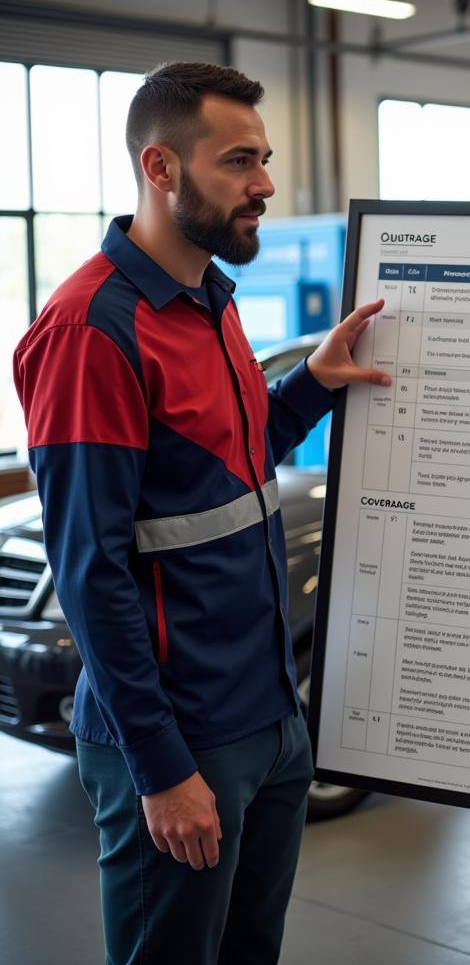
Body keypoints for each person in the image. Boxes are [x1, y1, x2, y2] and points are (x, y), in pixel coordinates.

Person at [14, 62, 390, 964]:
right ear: (162, 168)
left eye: (263, 159)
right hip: (185, 739)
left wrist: (314, 385)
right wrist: (162, 766)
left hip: (268, 718)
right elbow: (90, 570)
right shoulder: (90, 332)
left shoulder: (214, 301)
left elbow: (232, 471)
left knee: (250, 949)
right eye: (238, 162)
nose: (263, 184)